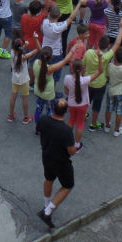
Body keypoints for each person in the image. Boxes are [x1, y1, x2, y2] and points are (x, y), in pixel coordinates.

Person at [36, 98, 77, 229]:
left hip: (46, 155)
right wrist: (77, 147)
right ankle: (48, 211)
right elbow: (71, 151)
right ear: (66, 111)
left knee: (49, 179)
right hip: (61, 162)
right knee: (68, 185)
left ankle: (46, 204)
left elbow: (40, 133)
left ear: (53, 108)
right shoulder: (66, 130)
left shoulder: (43, 119)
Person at [104, 47, 122, 137]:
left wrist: (110, 50)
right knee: (119, 111)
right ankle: (116, 130)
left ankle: (107, 126)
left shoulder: (109, 67)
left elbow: (108, 61)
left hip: (111, 91)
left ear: (115, 57)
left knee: (109, 109)